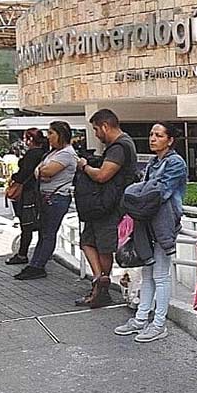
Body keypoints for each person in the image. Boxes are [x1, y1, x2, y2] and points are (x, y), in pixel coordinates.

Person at [114, 122, 188, 343]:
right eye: (151, 134)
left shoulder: (175, 163)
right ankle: (141, 318)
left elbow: (157, 193)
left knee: (161, 276)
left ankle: (158, 324)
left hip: (164, 222)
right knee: (147, 273)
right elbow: (146, 191)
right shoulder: (154, 162)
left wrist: (136, 194)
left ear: (170, 140)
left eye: (158, 135)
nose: (152, 138)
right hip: (147, 220)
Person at [75, 109, 138, 308]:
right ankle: (99, 280)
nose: (96, 134)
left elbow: (103, 175)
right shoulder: (121, 145)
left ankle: (101, 285)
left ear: (105, 126)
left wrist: (85, 166)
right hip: (104, 206)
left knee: (103, 247)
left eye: (96, 129)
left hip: (110, 206)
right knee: (87, 242)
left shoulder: (119, 147)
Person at [14, 121, 78, 280]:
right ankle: (35, 264)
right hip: (46, 197)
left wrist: (41, 171)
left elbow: (46, 171)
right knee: (43, 233)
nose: (48, 137)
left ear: (61, 135)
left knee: (48, 233)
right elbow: (39, 170)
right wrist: (40, 171)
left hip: (55, 198)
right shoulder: (53, 153)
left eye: (51, 133)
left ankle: (38, 266)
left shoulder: (66, 153)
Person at [6, 128, 49, 265]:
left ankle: (22, 254)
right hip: (37, 191)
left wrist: (14, 178)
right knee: (36, 224)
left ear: (30, 139)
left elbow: (24, 173)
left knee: (27, 225)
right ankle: (38, 254)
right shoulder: (44, 153)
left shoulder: (32, 154)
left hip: (29, 193)